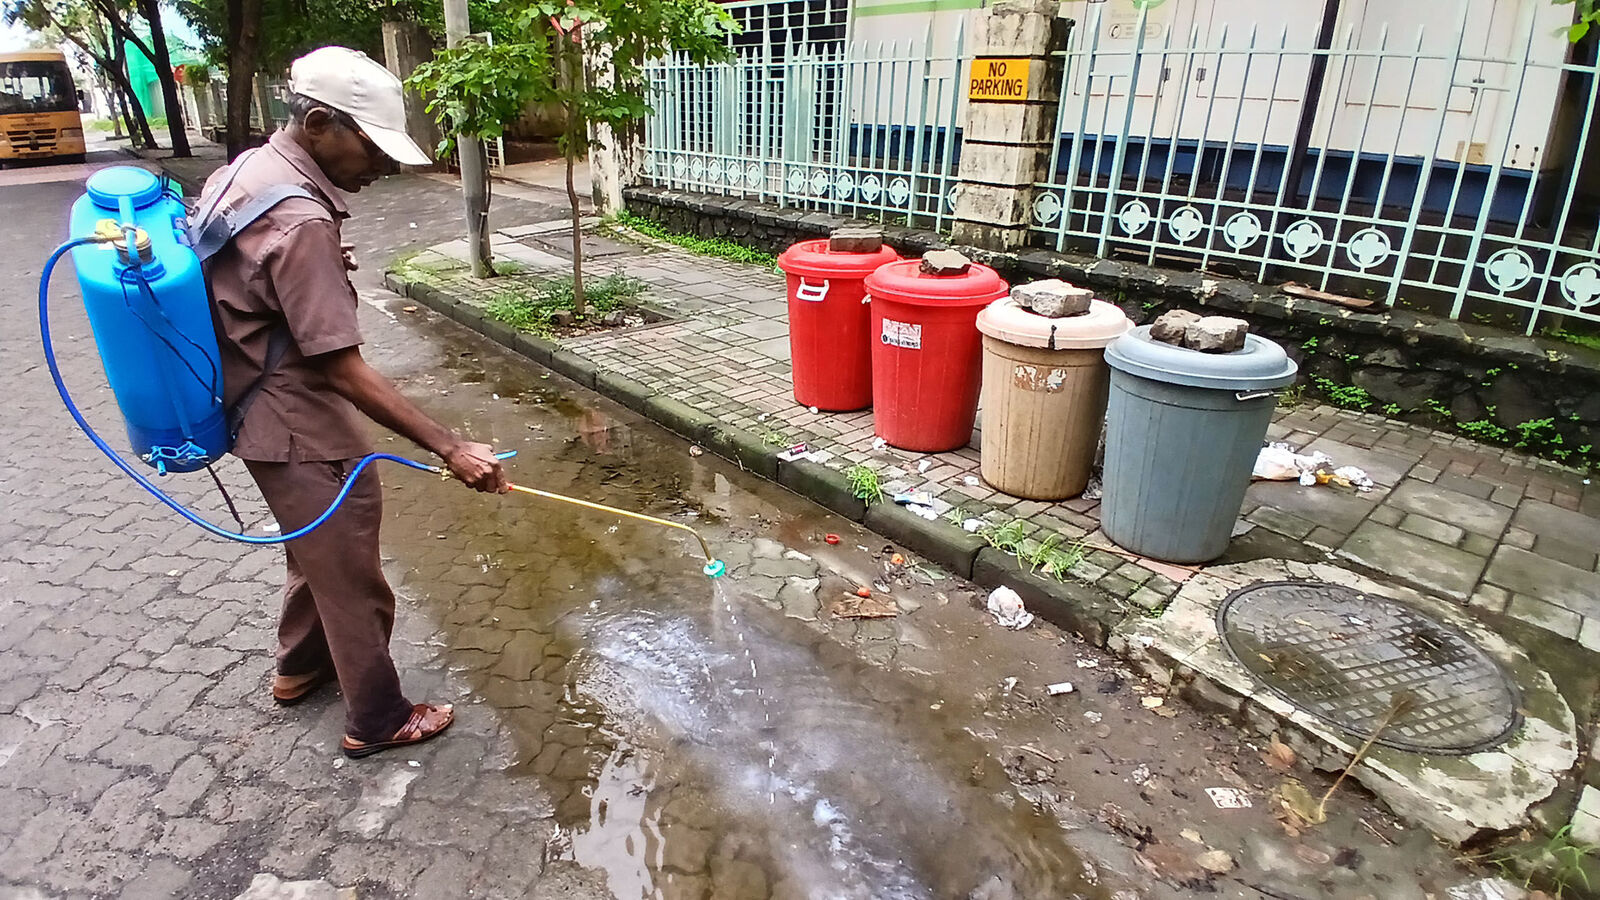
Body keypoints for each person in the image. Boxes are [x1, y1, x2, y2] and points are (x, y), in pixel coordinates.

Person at [199, 45, 508, 759]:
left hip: (254, 398)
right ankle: (378, 718)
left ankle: (300, 669)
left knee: (319, 550)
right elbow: (339, 366)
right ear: (317, 123)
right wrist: (451, 446)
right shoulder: (301, 220)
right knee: (349, 571)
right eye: (370, 145)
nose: (381, 165)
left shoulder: (250, 169)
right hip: (290, 417)